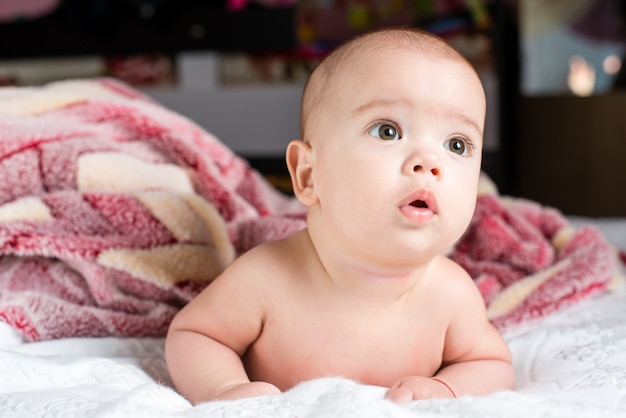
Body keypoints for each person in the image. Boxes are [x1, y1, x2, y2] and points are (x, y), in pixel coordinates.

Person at [165, 27, 515, 405]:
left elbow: (491, 362)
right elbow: (196, 336)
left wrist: (448, 387)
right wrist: (224, 388)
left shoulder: (451, 294)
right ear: (308, 175)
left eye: (457, 144)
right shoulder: (266, 278)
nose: (429, 163)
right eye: (387, 130)